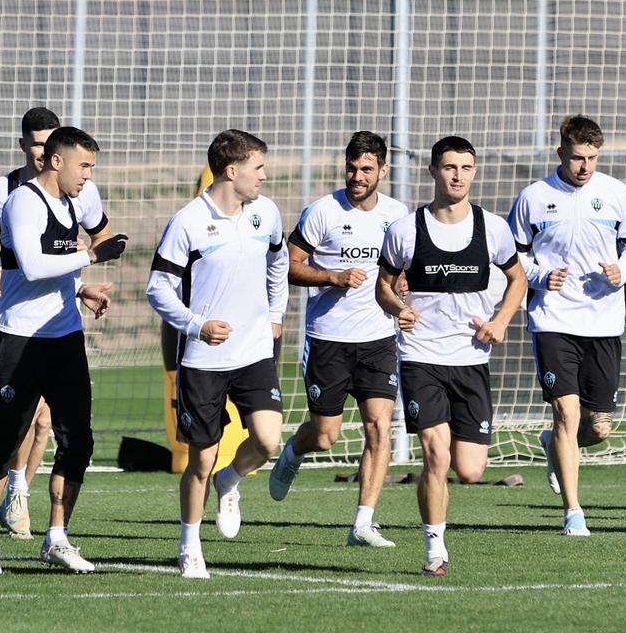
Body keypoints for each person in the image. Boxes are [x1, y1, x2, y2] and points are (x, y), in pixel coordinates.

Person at [0, 126, 125, 575]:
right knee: (5, 439)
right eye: (84, 165)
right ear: (57, 162)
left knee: (78, 441)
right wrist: (92, 257)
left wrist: (80, 289)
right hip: (19, 339)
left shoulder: (74, 201)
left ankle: (57, 536)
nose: (88, 175)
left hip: (65, 338)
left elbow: (57, 270)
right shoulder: (22, 201)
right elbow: (34, 266)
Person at [375, 136, 526, 576]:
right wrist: (399, 308)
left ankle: (437, 527)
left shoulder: (492, 228)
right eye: (449, 167)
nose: (457, 176)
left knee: (470, 469)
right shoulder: (406, 229)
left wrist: (500, 322)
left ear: (474, 172)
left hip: (472, 359)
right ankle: (434, 549)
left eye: (465, 168)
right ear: (433, 171)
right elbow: (383, 286)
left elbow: (517, 279)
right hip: (421, 357)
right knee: (435, 455)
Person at [147, 129, 288, 579]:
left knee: (267, 440)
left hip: (254, 353)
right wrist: (197, 325)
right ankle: (189, 546)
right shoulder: (188, 222)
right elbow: (158, 289)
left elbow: (279, 261)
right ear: (232, 171)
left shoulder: (266, 213)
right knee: (201, 460)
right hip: (203, 361)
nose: (263, 176)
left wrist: (276, 314)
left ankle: (232, 479)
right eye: (257, 168)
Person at [507, 115, 626, 536]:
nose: (584, 166)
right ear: (560, 153)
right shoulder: (534, 197)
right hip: (553, 319)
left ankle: (552, 445)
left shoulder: (616, 194)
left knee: (598, 428)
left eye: (592, 158)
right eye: (577, 158)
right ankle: (573, 513)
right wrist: (539, 275)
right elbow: (513, 256)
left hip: (604, 321)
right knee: (567, 414)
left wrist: (622, 271)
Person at [268, 131, 409, 548]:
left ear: (383, 170)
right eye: (351, 168)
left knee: (379, 428)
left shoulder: (398, 215)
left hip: (379, 338)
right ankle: (294, 451)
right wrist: (333, 276)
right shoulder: (322, 212)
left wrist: (402, 286)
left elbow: (402, 267)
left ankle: (363, 523)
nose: (357, 176)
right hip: (328, 339)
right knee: (326, 435)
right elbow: (288, 266)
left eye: (366, 169)